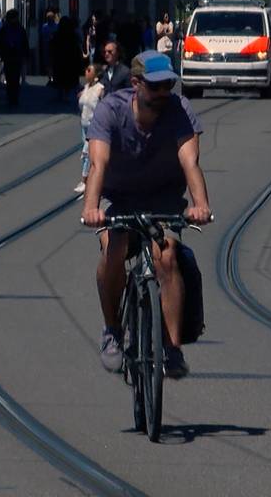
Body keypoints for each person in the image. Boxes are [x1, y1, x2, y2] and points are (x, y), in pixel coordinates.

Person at [81, 50, 211, 379]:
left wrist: (200, 204)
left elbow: (190, 160)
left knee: (166, 257)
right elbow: (98, 163)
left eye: (168, 84)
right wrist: (91, 208)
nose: (163, 93)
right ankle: (112, 331)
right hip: (121, 197)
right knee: (114, 250)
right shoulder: (111, 110)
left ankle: (171, 347)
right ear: (136, 84)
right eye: (156, 87)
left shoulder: (178, 110)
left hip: (164, 198)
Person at [75, 64, 104, 193]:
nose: (85, 73)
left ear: (96, 75)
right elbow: (82, 107)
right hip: (84, 125)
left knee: (87, 154)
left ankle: (84, 181)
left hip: (94, 126)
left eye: (89, 70)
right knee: (87, 154)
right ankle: (91, 178)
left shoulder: (100, 89)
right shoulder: (86, 88)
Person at [0, 9, 28, 107]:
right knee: (12, 78)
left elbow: (24, 43)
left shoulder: (9, 29)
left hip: (14, 56)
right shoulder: (16, 29)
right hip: (11, 56)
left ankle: (13, 96)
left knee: (13, 78)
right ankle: (12, 96)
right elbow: (1, 43)